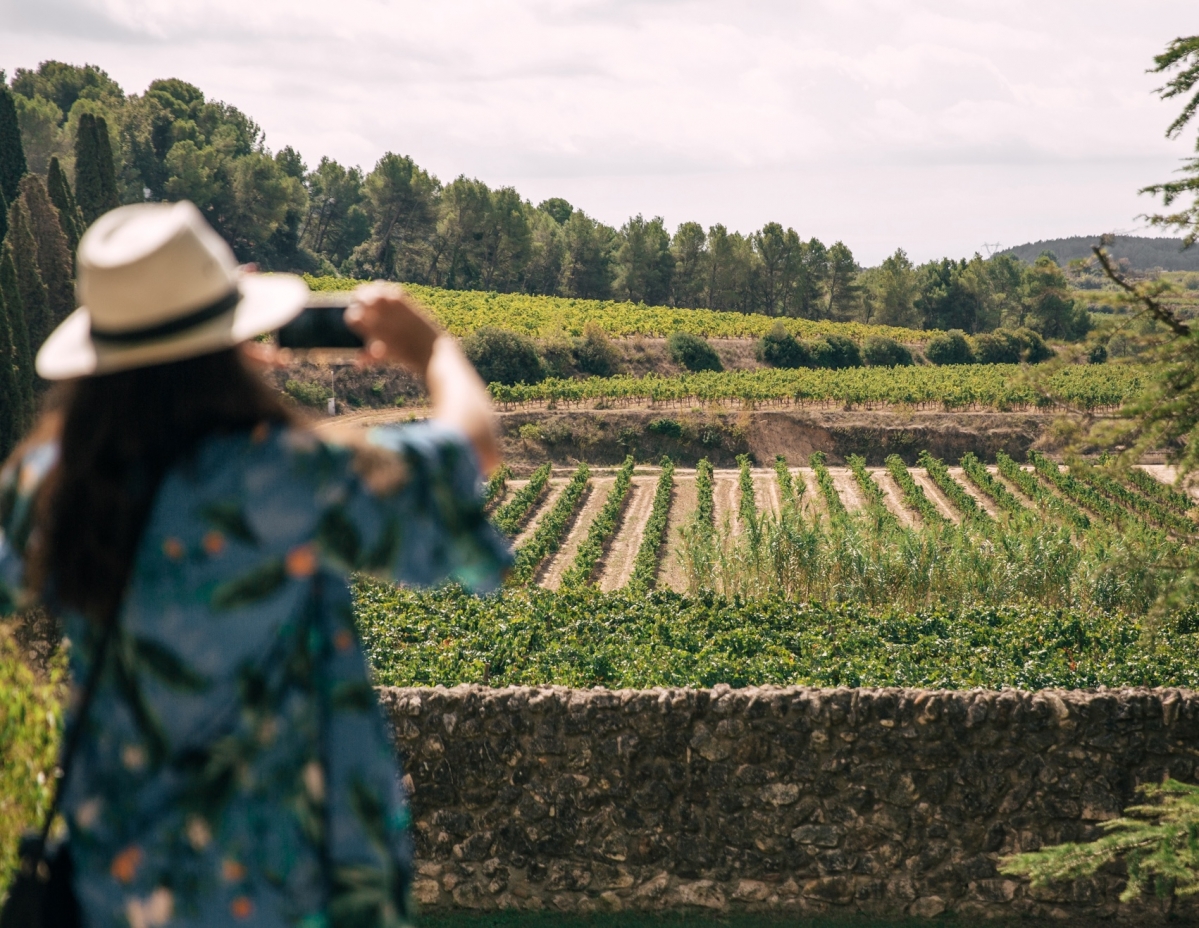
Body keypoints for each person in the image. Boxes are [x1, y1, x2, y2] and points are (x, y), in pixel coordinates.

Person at [0, 201, 510, 926]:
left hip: (120, 887)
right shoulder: (275, 478)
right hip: (286, 887)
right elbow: (468, 452)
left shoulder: (46, 477)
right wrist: (434, 351)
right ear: (227, 341)